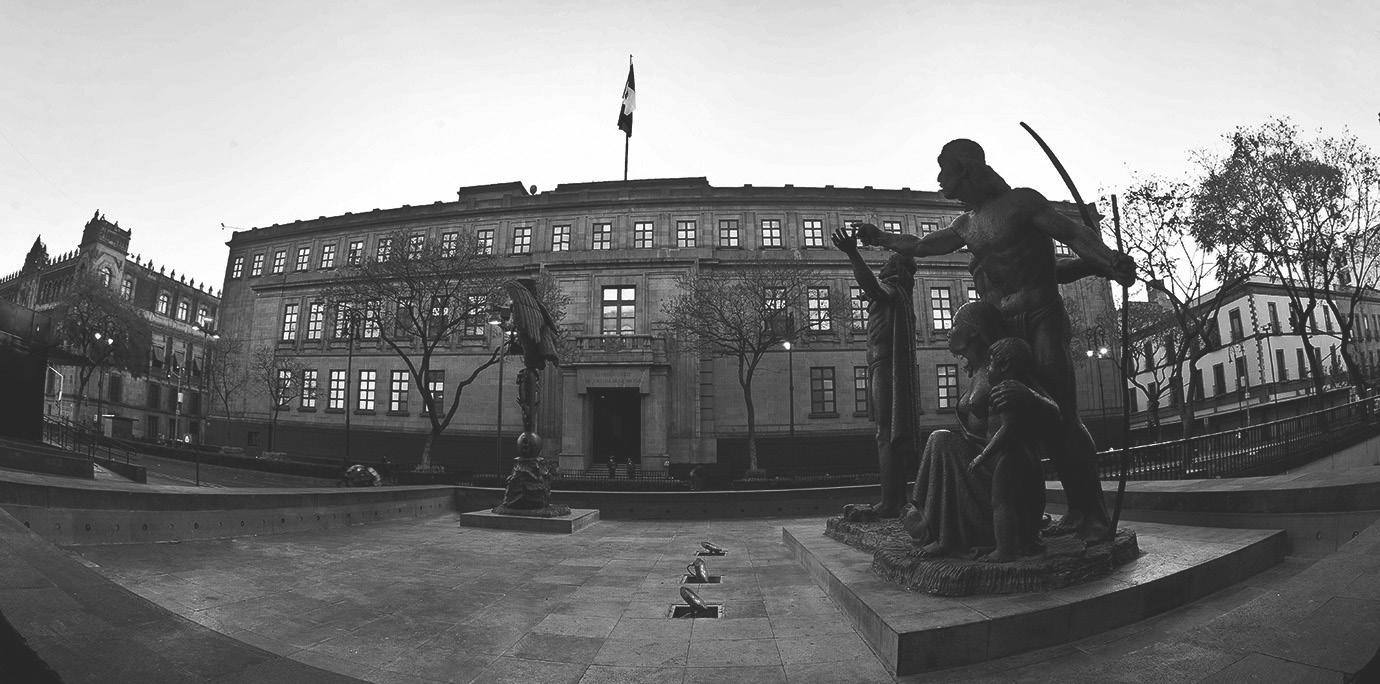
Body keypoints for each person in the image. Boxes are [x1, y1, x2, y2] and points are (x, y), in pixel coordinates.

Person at [857, 138, 1136, 541]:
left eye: (944, 169)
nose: (939, 179)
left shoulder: (1022, 202)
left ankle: (1089, 511)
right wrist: (881, 238)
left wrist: (1108, 261)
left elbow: (1073, 233)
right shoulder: (965, 225)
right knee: (1010, 419)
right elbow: (919, 246)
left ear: (967, 169)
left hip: (1040, 317)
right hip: (1002, 330)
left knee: (1061, 415)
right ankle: (1021, 517)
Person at [902, 301, 1001, 556]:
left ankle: (940, 531)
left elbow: (1048, 410)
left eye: (955, 324)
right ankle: (925, 514)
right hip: (976, 466)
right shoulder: (977, 371)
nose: (949, 331)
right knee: (940, 439)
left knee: (941, 440)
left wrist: (1027, 395)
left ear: (974, 331)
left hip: (995, 475)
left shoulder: (1000, 369)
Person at [833, 227, 918, 521]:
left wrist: (853, 253)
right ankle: (893, 500)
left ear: (898, 269)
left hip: (886, 364)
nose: (885, 263)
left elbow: (873, 288)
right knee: (886, 432)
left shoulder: (894, 290)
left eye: (890, 260)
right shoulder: (896, 295)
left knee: (886, 432)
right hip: (882, 363)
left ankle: (891, 503)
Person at [967, 337, 1059, 561]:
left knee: (1002, 502)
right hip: (1019, 455)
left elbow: (1007, 429)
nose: (987, 370)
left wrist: (983, 456)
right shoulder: (1010, 388)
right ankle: (1022, 541)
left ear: (1005, 365)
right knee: (1019, 502)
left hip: (1010, 456)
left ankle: (1005, 549)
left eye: (990, 364)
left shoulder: (1007, 390)